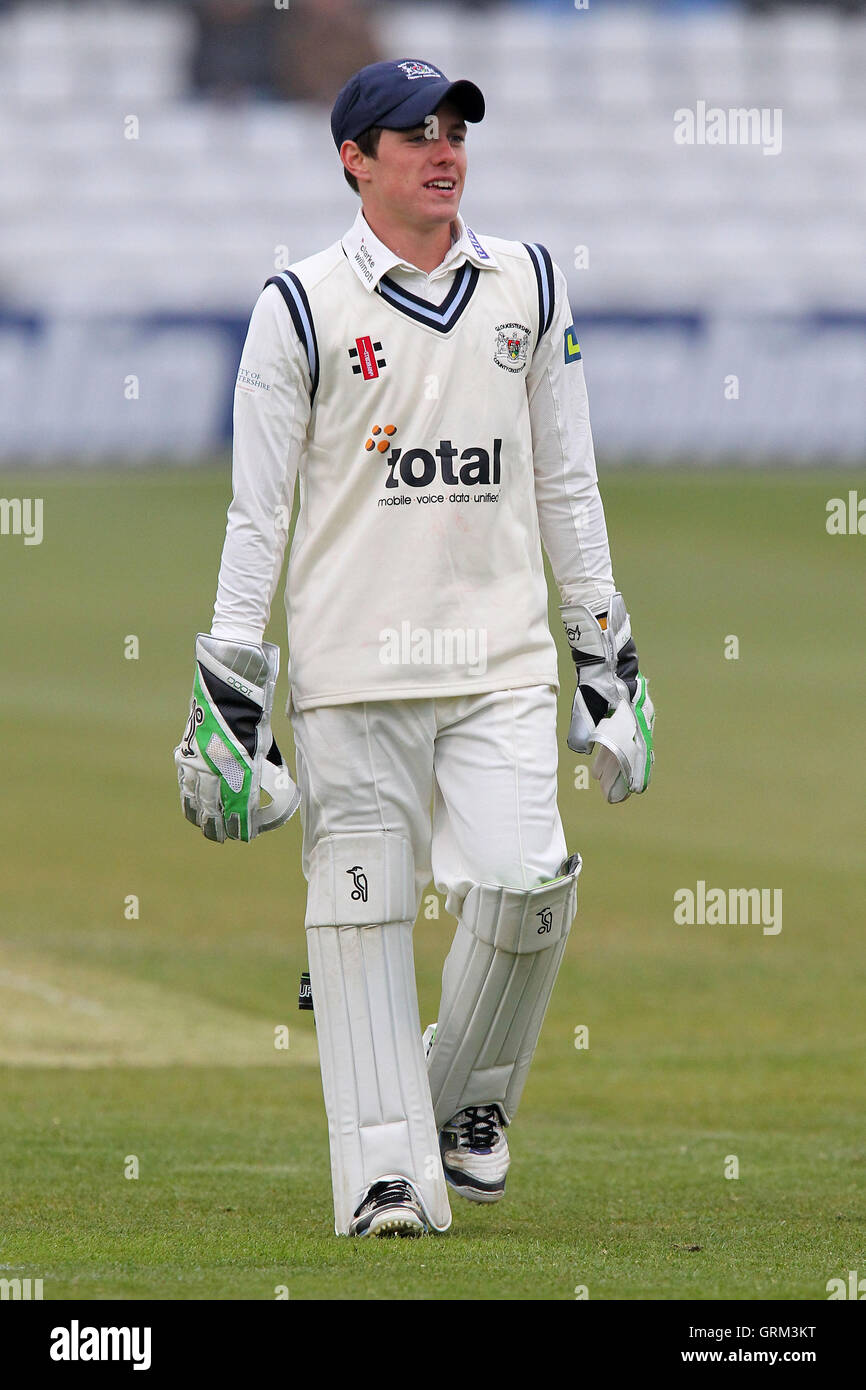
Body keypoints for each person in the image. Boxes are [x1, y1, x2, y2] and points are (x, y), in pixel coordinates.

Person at [174, 58, 655, 1239]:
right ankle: (384, 1176)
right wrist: (233, 689)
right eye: (412, 133)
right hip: (353, 666)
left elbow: (567, 483)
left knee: (527, 888)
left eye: (452, 129)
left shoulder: (527, 285)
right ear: (354, 158)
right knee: (363, 913)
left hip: (500, 658)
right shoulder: (298, 304)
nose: (442, 150)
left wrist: (609, 655)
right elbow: (257, 511)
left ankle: (460, 1100)